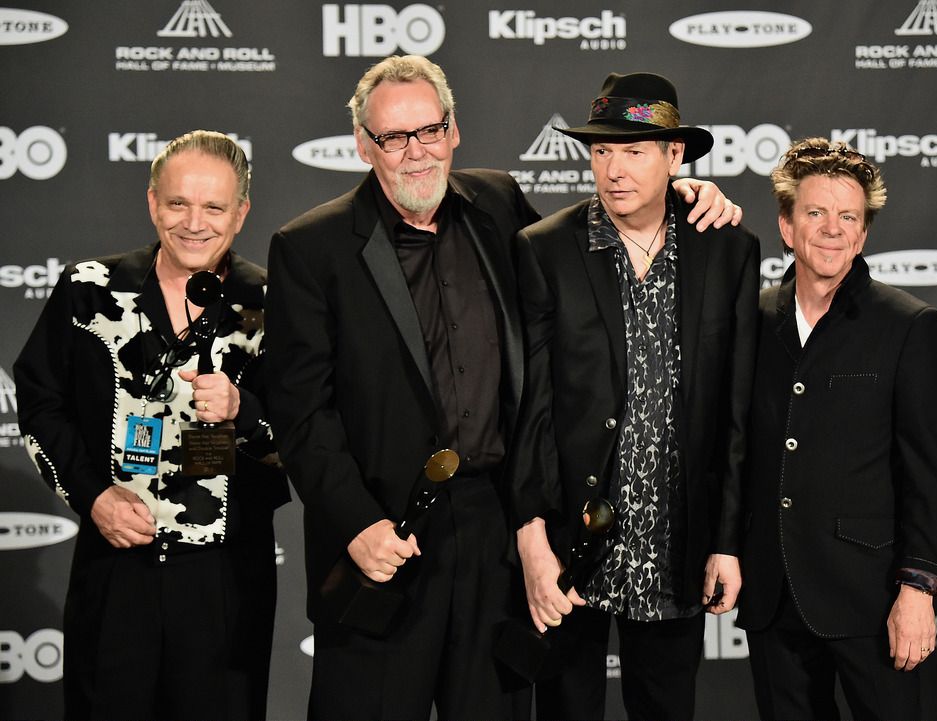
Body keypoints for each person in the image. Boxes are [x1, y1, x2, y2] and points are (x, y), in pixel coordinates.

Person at [263, 55, 741, 721]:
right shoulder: (310, 248)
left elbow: (597, 242)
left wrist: (687, 195)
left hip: (496, 535)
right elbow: (300, 412)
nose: (414, 152)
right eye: (392, 137)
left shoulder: (498, 206)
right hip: (386, 535)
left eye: (428, 131)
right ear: (362, 145)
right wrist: (359, 521)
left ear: (453, 131)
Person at [509, 72, 760, 721]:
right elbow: (531, 406)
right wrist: (533, 538)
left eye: (634, 151)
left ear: (676, 155)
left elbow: (735, 414)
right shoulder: (546, 250)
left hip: (678, 546)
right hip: (573, 549)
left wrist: (726, 540)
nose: (614, 169)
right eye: (601, 151)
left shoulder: (728, 250)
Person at [14, 130, 289, 720]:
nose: (194, 222)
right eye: (177, 203)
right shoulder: (89, 291)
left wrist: (244, 410)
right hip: (116, 568)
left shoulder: (275, 304)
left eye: (213, 206)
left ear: (241, 212)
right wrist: (93, 497)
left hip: (224, 580)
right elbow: (40, 403)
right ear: (151, 203)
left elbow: (309, 433)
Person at [737, 137, 937, 720]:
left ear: (861, 235)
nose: (831, 229)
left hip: (872, 596)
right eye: (815, 213)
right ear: (787, 226)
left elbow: (930, 476)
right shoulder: (751, 319)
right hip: (773, 595)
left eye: (848, 217)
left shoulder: (908, 325)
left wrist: (917, 590)